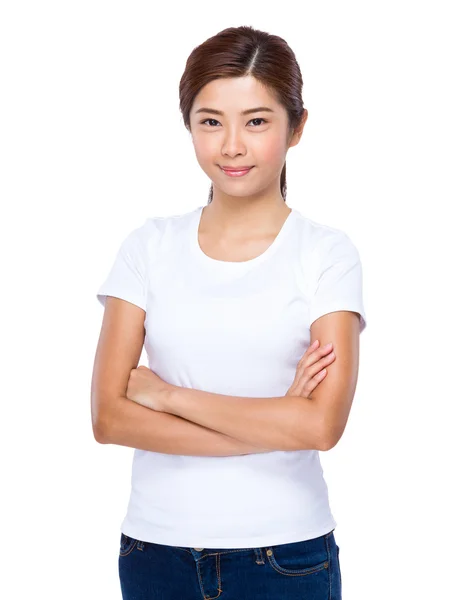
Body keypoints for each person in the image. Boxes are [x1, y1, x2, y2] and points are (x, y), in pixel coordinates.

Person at [92, 25, 367, 600]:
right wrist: (274, 422)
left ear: (297, 128)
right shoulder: (148, 247)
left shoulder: (325, 253)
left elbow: (320, 426)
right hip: (155, 554)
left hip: (286, 557)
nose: (232, 146)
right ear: (189, 126)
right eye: (210, 121)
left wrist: (167, 396)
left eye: (257, 121)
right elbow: (109, 419)